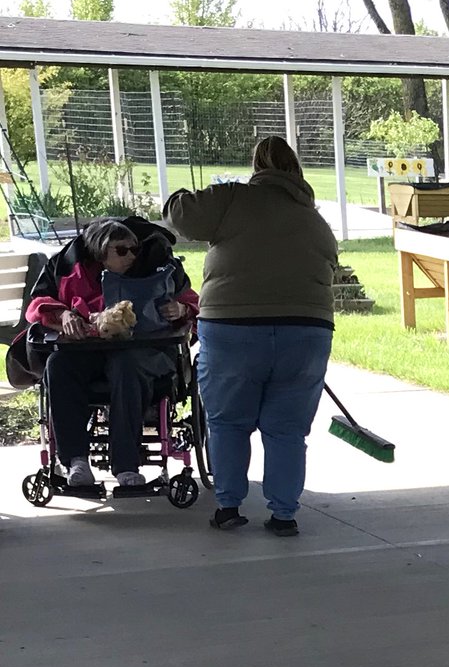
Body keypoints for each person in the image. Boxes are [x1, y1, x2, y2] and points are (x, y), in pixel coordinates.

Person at [163, 135, 339, 536]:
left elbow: (182, 217)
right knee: (288, 429)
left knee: (228, 422)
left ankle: (228, 506)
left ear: (256, 165)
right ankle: (283, 514)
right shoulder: (312, 216)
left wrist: (177, 195)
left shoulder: (233, 199)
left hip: (233, 328)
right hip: (307, 331)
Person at [25, 218, 198, 489]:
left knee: (126, 366)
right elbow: (38, 305)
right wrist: (63, 314)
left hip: (144, 351)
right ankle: (75, 461)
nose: (131, 255)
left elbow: (192, 301)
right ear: (99, 254)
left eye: (134, 249)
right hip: (89, 349)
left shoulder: (154, 269)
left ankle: (126, 465)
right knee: (59, 364)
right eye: (121, 250)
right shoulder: (70, 272)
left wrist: (182, 310)